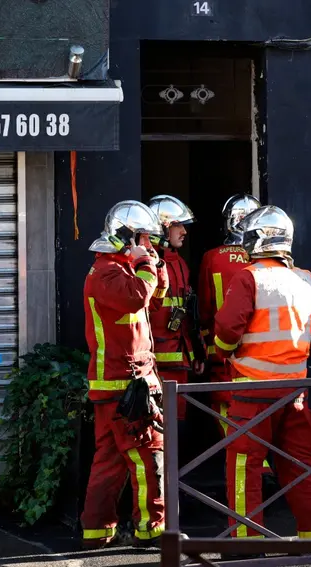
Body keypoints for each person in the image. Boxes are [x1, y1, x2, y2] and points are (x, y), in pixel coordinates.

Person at [213, 205, 311, 543]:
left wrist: (226, 351)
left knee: (244, 468)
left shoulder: (248, 277)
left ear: (260, 240)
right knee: (300, 464)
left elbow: (225, 331)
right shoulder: (306, 278)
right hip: (295, 391)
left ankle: (246, 542)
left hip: (252, 394)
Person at [79, 200, 170, 549]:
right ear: (128, 237)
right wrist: (146, 262)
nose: (149, 245)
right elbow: (136, 298)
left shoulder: (121, 268)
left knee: (111, 461)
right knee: (148, 454)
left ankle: (97, 530)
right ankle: (153, 529)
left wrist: (152, 263)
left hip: (121, 383)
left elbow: (155, 298)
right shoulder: (107, 272)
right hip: (125, 384)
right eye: (144, 238)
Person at [198, 193, 261, 436]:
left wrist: (203, 340)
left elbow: (205, 307)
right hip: (261, 352)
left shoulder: (212, 258)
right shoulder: (265, 259)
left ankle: (239, 455)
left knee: (226, 405)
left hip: (222, 350)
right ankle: (260, 464)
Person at [146, 195, 205, 429]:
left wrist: (197, 351)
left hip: (180, 360)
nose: (184, 232)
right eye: (179, 225)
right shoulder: (146, 262)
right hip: (155, 364)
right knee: (157, 427)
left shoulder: (179, 263)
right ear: (163, 227)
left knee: (177, 425)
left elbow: (189, 312)